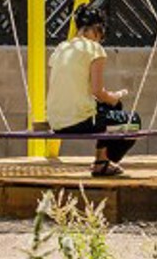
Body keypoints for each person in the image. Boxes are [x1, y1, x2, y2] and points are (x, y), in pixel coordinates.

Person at [47, 13, 139, 177]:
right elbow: (97, 91)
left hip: (56, 121)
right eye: (101, 35)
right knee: (133, 121)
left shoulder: (62, 48)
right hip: (79, 121)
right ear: (97, 29)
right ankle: (103, 162)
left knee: (110, 108)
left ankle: (101, 161)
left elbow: (70, 87)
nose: (100, 40)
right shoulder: (94, 49)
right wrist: (114, 96)